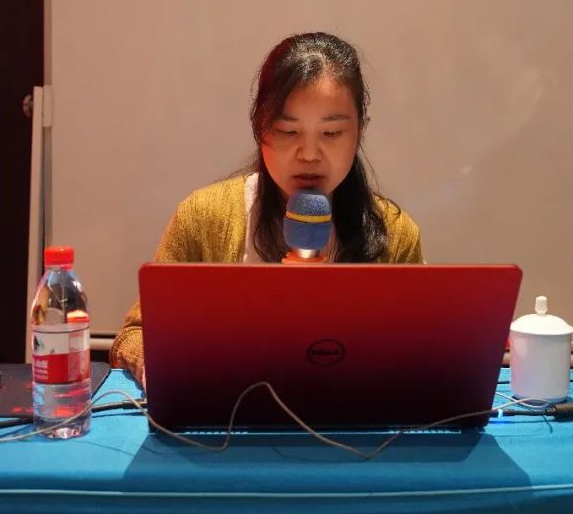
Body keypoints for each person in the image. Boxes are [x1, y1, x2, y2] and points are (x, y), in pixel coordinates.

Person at [109, 32, 423, 387]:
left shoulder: (396, 234)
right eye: (288, 131)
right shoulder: (203, 218)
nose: (309, 154)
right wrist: (164, 366)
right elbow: (135, 334)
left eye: (332, 133)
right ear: (261, 129)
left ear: (359, 131)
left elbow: (422, 348)